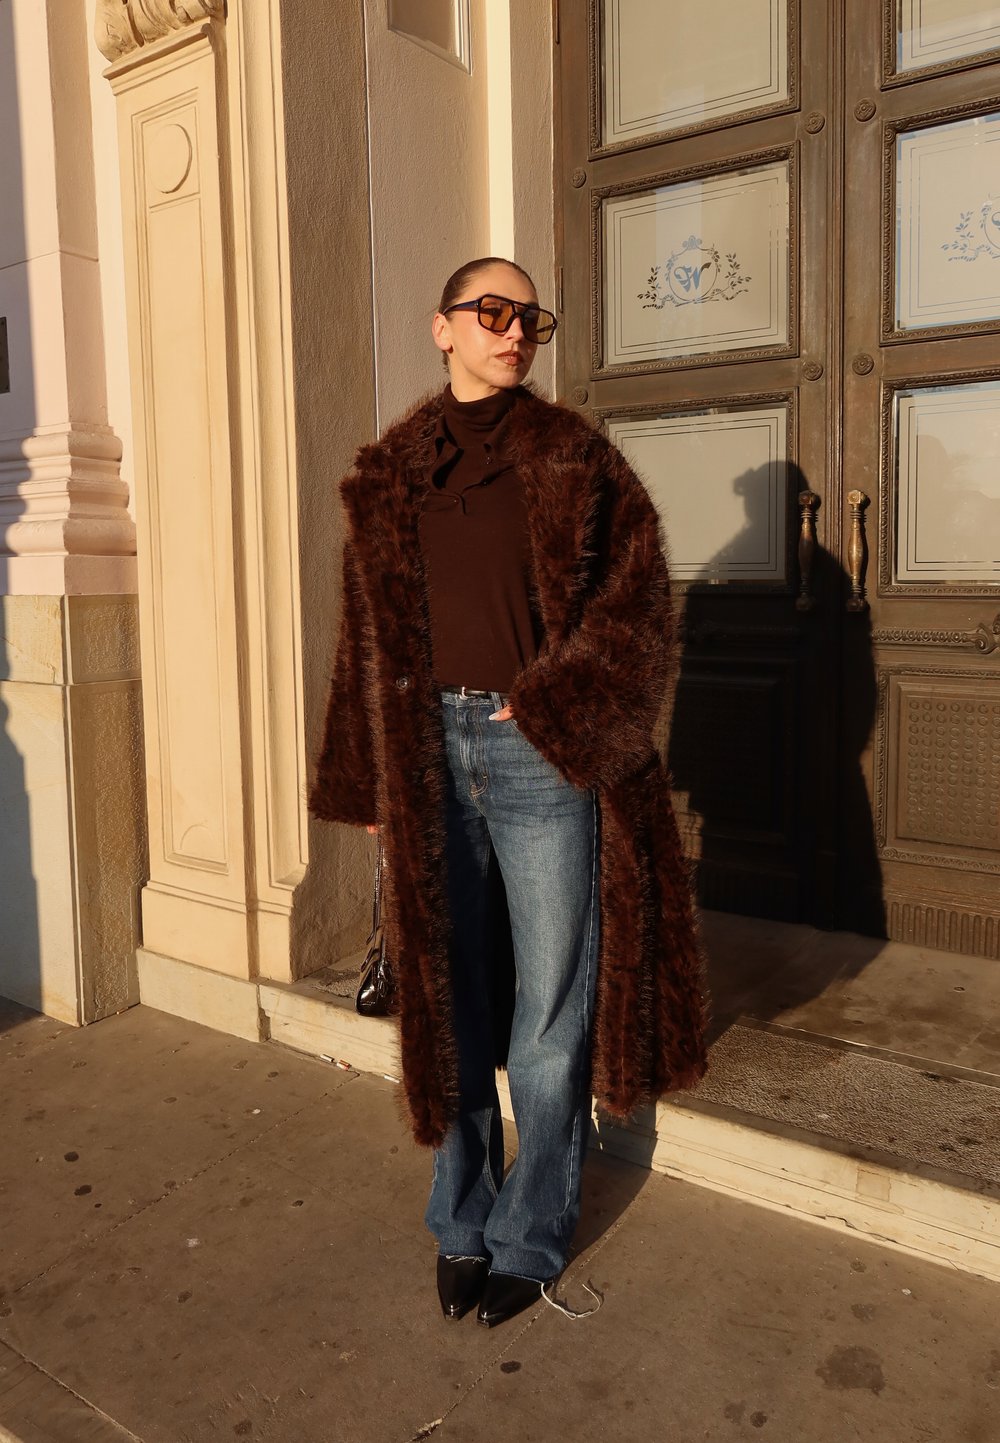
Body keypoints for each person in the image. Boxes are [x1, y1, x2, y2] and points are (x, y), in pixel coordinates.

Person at [308, 257, 707, 1329]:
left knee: (548, 1011)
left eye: (530, 314)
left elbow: (636, 606)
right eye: (492, 311)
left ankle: (530, 1235)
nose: (514, 328)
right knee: (452, 1003)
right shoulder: (392, 474)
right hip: (428, 751)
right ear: (441, 328)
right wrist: (376, 770)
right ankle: (462, 1218)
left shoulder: (575, 458)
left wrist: (552, 707)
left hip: (535, 754)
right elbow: (368, 636)